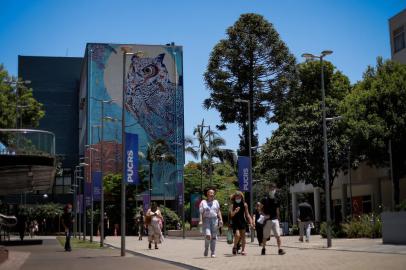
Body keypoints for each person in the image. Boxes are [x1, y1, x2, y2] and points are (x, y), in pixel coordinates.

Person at [260, 183, 285, 255]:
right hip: (267, 220)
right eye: (271, 188)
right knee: (265, 236)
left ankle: (280, 249)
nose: (272, 190)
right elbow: (260, 209)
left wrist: (279, 220)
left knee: (278, 235)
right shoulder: (264, 199)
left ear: (275, 189)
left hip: (275, 220)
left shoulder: (277, 200)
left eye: (273, 188)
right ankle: (263, 249)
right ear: (268, 189)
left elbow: (277, 211)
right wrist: (264, 215)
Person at [199, 187, 223, 258]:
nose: (212, 194)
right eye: (210, 193)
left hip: (215, 220)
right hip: (206, 220)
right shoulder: (203, 202)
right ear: (207, 194)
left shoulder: (216, 202)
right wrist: (200, 220)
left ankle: (213, 252)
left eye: (213, 193)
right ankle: (206, 248)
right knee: (208, 235)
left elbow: (218, 211)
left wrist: (221, 219)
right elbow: (201, 212)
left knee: (213, 237)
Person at [229, 191, 254, 255]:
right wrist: (235, 211)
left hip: (242, 221)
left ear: (241, 197)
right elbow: (231, 215)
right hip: (235, 222)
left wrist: (251, 222)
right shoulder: (232, 205)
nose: (238, 197)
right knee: (237, 235)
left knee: (243, 237)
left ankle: (243, 250)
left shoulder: (244, 204)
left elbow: (247, 214)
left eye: (239, 196)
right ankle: (234, 247)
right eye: (237, 196)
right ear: (234, 197)